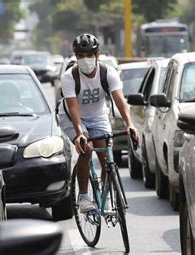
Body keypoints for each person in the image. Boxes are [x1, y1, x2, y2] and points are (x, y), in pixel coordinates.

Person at [58, 33, 138, 213]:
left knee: (106, 156)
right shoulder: (69, 77)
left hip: (98, 116)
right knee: (86, 150)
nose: (85, 59)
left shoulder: (108, 73)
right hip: (72, 117)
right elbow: (73, 108)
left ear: (97, 55)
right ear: (76, 56)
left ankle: (107, 196)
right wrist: (80, 134)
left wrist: (129, 124)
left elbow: (119, 100)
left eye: (89, 55)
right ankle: (84, 197)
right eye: (81, 56)